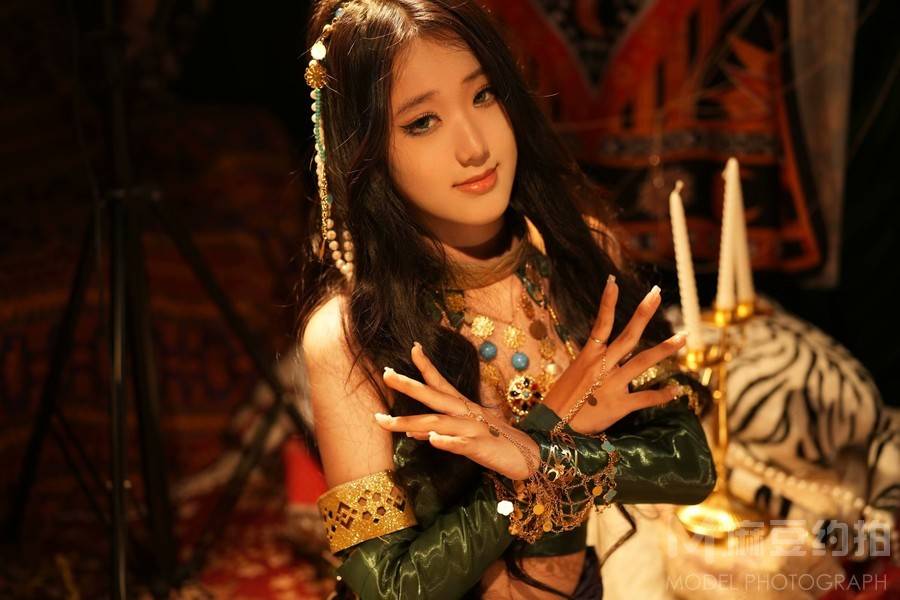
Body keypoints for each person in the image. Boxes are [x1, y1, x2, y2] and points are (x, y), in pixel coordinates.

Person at [296, 1, 717, 598]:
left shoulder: (578, 253)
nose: (474, 146)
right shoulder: (349, 334)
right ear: (362, 150)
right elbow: (386, 587)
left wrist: (537, 453)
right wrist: (542, 442)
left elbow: (691, 464)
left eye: (484, 95)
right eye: (423, 122)